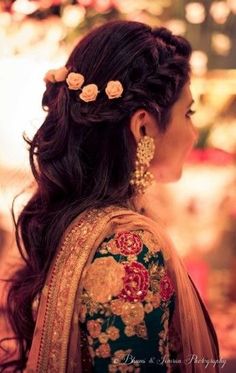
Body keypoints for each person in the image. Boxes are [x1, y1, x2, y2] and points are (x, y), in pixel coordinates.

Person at [0, 20, 220, 373]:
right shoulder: (131, 246)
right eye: (188, 112)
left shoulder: (76, 222)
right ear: (143, 126)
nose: (193, 132)